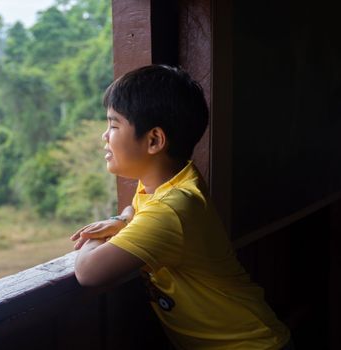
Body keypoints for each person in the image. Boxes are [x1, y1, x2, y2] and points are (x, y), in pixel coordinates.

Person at [70, 65, 292, 350]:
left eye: (113, 125)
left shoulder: (171, 208)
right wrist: (124, 219)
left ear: (154, 141)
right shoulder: (172, 182)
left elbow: (89, 273)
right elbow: (136, 211)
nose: (105, 135)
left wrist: (94, 237)